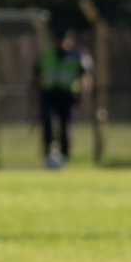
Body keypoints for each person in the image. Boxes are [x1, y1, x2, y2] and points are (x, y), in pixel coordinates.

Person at [32, 26, 91, 167]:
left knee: (65, 127)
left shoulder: (78, 56)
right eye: (57, 40)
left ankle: (64, 158)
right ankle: (48, 156)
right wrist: (32, 95)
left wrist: (83, 96)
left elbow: (85, 77)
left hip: (67, 95)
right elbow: (36, 76)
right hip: (48, 94)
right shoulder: (45, 54)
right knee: (48, 124)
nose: (60, 43)